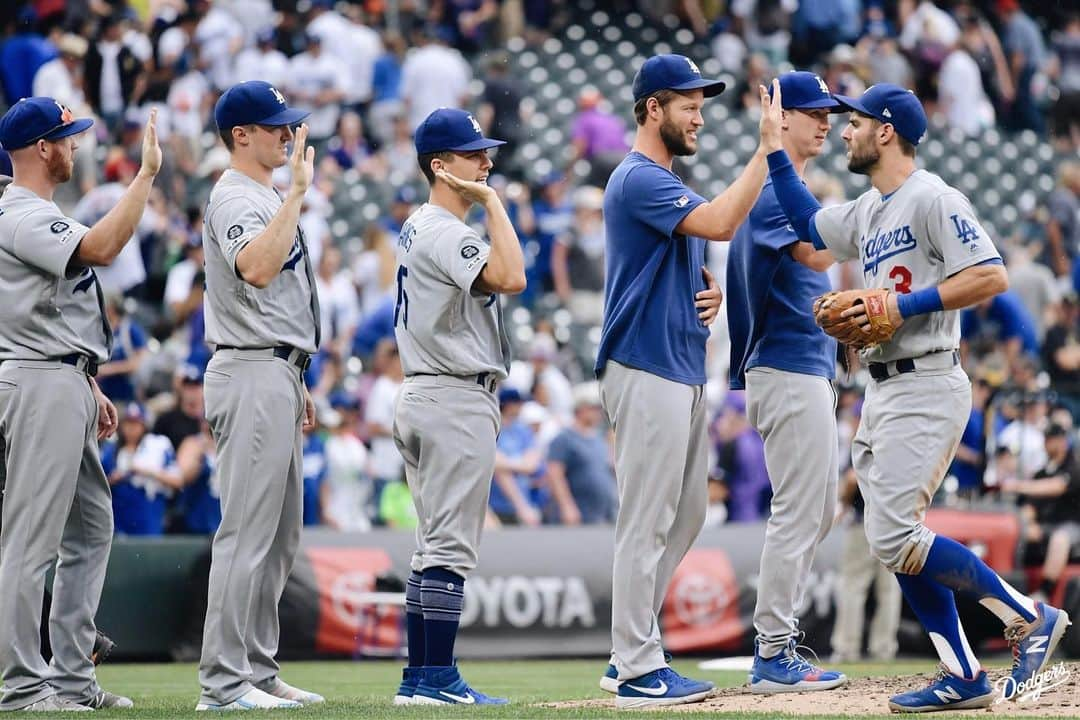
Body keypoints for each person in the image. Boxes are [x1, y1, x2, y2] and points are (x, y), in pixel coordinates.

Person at [766, 82, 1071, 712]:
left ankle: (1030, 616)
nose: (844, 132)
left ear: (884, 130)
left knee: (895, 537)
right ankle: (963, 675)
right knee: (899, 542)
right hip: (883, 387)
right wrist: (774, 149)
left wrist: (903, 304)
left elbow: (991, 273)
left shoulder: (933, 197)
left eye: (852, 123)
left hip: (928, 379)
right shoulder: (871, 210)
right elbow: (804, 222)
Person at [594, 54, 782, 708]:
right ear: (653, 109)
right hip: (645, 364)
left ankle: (632, 645)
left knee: (689, 512)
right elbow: (724, 222)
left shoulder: (666, 180)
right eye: (688, 104)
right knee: (644, 522)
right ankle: (636, 664)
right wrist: (767, 151)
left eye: (702, 104)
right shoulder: (639, 177)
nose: (699, 115)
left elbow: (696, 252)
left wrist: (705, 297)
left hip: (678, 362)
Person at [0, 98, 161, 711]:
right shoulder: (19, 212)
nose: (75, 147)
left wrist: (88, 379)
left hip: (60, 375)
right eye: (66, 138)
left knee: (91, 528)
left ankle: (71, 677)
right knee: (30, 542)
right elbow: (100, 248)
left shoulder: (35, 211)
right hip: (37, 383)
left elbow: (49, 309)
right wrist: (143, 177)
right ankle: (22, 687)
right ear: (43, 148)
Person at [196, 80, 323, 711]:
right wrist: (297, 194)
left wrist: (297, 374)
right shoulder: (236, 196)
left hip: (277, 369)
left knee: (278, 541)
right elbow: (256, 267)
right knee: (246, 534)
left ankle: (255, 670)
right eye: (275, 126)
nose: (288, 134)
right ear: (240, 134)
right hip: (249, 367)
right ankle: (221, 684)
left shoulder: (265, 194)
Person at [391, 107, 524, 705]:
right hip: (453, 393)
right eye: (473, 156)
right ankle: (438, 677)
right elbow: (511, 275)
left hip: (426, 389)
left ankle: (419, 678)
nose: (486, 163)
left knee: (429, 545)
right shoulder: (445, 229)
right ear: (440, 166)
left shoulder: (421, 225)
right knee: (447, 548)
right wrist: (494, 204)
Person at [725, 71, 846, 693]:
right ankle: (773, 650)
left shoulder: (783, 185)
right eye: (811, 110)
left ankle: (781, 641)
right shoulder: (778, 189)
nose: (824, 120)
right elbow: (819, 251)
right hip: (787, 364)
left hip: (802, 366)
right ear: (780, 116)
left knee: (817, 512)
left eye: (829, 111)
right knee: (799, 512)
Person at [1004, 423, 1080, 603]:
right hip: (1045, 526)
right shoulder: (1041, 472)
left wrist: (1019, 485)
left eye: (1052, 439)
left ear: (1062, 441)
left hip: (1071, 525)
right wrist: (1019, 523)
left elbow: (1057, 486)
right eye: (1046, 439)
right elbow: (1030, 508)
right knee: (1022, 532)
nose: (1048, 443)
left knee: (1060, 538)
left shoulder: (1074, 467)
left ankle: (1044, 592)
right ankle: (1011, 583)